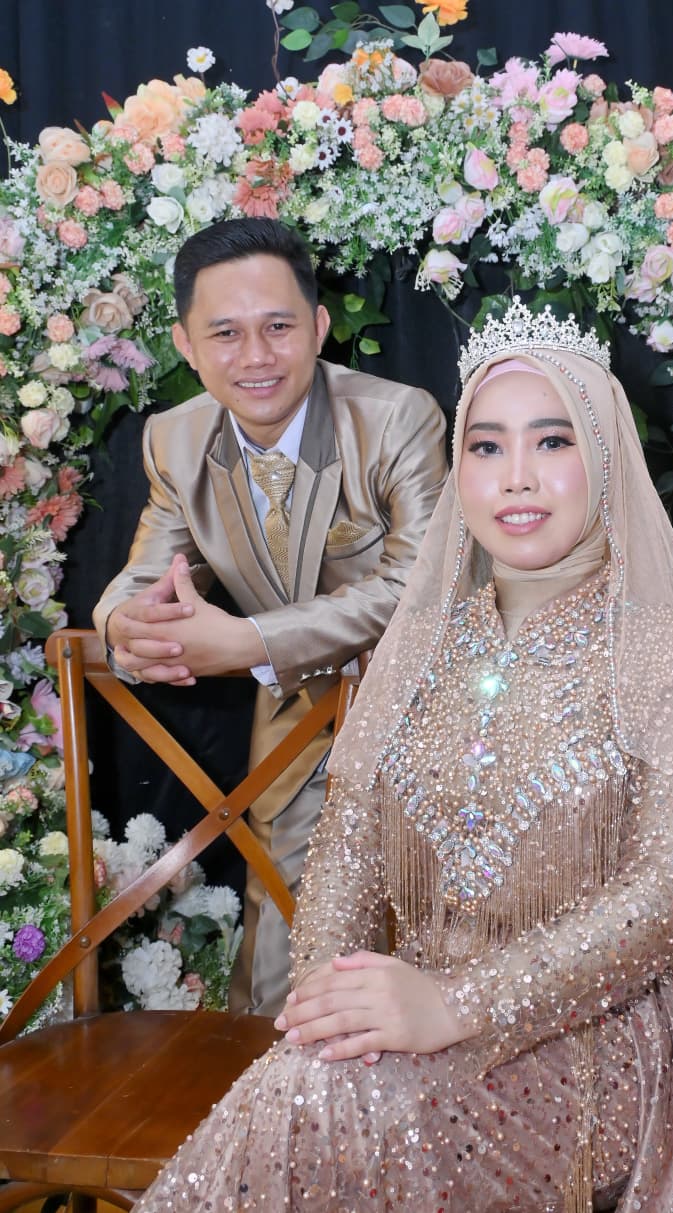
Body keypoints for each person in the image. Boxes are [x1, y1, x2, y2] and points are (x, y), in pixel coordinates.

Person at [133, 298, 673, 1211]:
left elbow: (663, 901)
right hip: (417, 1015)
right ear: (459, 471)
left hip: (613, 1031)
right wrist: (332, 1004)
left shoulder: (661, 649)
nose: (517, 477)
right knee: (318, 1081)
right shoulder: (421, 645)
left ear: (605, 458)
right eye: (487, 445)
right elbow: (345, 853)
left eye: (553, 441)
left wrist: (458, 1008)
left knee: (334, 1105)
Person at [92, 217, 447, 1016]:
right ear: (186, 345)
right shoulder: (174, 439)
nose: (255, 355)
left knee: (436, 935)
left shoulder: (396, 418)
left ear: (318, 326)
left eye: (278, 326)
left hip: (432, 712)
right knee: (285, 942)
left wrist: (248, 641)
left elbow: (419, 585)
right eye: (225, 333)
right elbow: (142, 577)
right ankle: (276, 1082)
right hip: (294, 719)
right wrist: (122, 627)